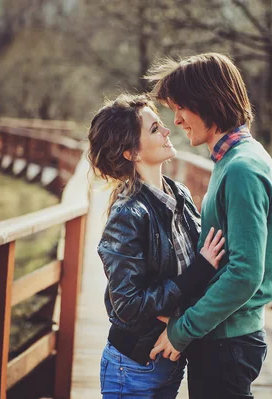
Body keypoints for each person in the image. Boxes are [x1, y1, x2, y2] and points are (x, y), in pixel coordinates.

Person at [145, 53, 272, 399]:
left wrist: (183, 330)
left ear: (208, 102)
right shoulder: (236, 159)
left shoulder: (241, 169)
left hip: (228, 343)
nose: (176, 120)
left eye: (181, 108)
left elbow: (245, 273)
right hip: (223, 337)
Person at [87, 93, 226, 398]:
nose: (167, 131)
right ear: (131, 153)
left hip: (170, 362)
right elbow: (126, 306)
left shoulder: (180, 194)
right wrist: (197, 274)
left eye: (160, 125)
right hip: (133, 368)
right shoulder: (127, 214)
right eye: (154, 130)